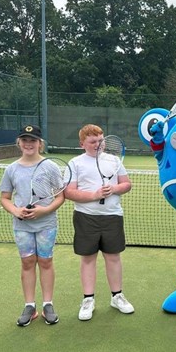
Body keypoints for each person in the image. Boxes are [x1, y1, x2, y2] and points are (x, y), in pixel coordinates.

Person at [64, 124, 134, 321]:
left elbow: (127, 184)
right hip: (85, 217)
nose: (98, 144)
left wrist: (115, 189)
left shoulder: (113, 161)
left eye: (100, 141)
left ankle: (117, 296)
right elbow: (68, 192)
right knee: (88, 258)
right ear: (82, 144)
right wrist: (95, 194)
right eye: (93, 141)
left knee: (113, 257)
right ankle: (88, 300)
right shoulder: (75, 163)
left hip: (113, 216)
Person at [0, 125, 65, 327]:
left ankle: (47, 304)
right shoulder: (11, 169)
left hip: (46, 224)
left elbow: (61, 196)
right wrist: (16, 211)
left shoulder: (50, 167)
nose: (29, 144)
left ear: (40, 143)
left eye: (33, 140)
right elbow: (5, 198)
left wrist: (44, 210)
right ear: (19, 143)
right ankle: (30, 306)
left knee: (45, 262)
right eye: (24, 140)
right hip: (22, 227)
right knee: (27, 263)